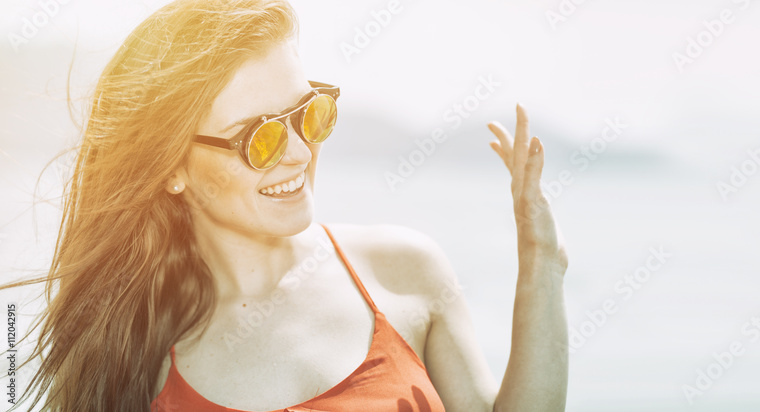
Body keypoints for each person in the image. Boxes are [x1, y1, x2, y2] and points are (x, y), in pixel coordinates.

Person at [1, 0, 569, 411]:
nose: (300, 152)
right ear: (171, 167)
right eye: (260, 137)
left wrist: (542, 267)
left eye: (308, 114)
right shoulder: (135, 358)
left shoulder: (403, 272)